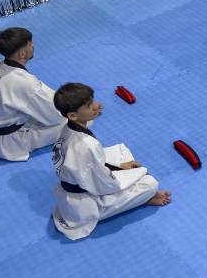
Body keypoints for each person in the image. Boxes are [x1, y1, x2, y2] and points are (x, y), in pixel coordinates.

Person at [50, 82, 170, 240]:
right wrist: (129, 174)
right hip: (84, 206)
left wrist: (119, 166)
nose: (95, 106)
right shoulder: (87, 145)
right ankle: (144, 199)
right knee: (149, 183)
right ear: (73, 115)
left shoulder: (67, 128)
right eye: (89, 105)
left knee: (121, 152)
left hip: (69, 191)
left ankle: (126, 178)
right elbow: (104, 185)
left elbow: (89, 162)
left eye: (92, 101)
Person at [0, 27, 65, 161]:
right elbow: (55, 116)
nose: (33, 46)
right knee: (78, 120)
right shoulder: (26, 83)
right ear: (22, 54)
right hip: (12, 142)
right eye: (30, 44)